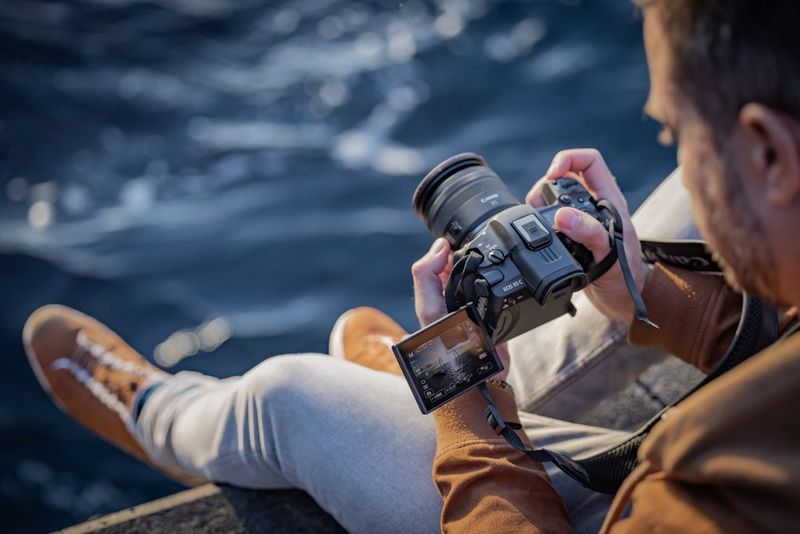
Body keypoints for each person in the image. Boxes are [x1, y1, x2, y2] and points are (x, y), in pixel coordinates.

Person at [22, 1, 800, 533]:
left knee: (291, 400)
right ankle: (427, 384)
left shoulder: (722, 490)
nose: (676, 153)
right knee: (688, 218)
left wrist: (460, 397)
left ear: (770, 152)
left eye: (674, 137)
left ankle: (160, 413)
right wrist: (640, 290)